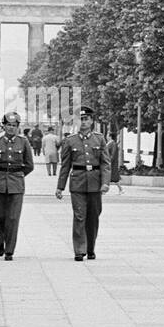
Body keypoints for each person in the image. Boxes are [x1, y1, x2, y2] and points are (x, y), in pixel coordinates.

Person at [55, 106, 109, 260]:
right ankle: (79, 250)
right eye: (80, 119)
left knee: (93, 216)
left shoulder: (99, 139)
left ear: (92, 121)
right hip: (77, 182)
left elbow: (105, 163)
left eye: (86, 119)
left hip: (95, 182)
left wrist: (105, 183)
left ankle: (90, 247)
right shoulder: (70, 140)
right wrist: (60, 187)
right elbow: (65, 165)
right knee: (79, 216)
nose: (83, 122)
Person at [0, 112, 34, 260]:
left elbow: (29, 165)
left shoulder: (23, 142)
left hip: (16, 184)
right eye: (8, 125)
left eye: (14, 125)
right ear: (3, 126)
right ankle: (1, 238)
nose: (11, 128)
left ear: (18, 127)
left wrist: (19, 174)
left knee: (13, 218)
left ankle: (9, 250)